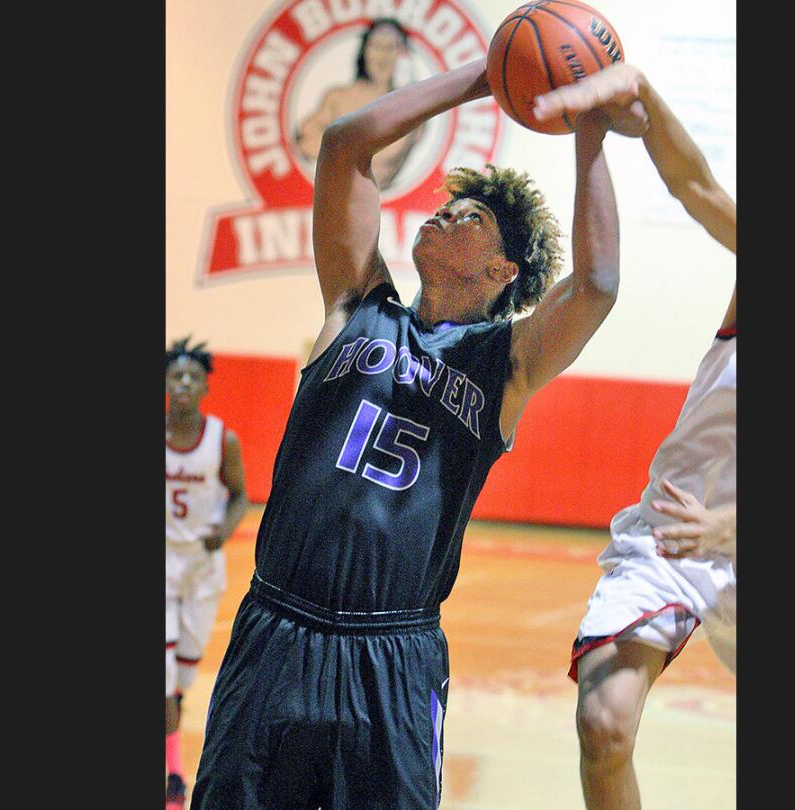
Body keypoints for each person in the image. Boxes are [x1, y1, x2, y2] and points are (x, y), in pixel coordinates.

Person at [191, 56, 645, 809]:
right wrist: (487, 77)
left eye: (472, 218)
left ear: (502, 269)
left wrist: (589, 126)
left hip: (390, 656)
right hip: (276, 628)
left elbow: (596, 285)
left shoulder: (506, 365)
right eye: (448, 205)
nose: (444, 213)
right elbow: (344, 144)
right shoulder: (355, 305)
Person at [533, 63, 738, 810]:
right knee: (604, 725)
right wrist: (640, 92)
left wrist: (729, 524)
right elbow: (698, 187)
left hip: (725, 531)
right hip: (675, 534)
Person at [164, 336, 249, 810]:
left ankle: (170, 728)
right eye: (175, 375)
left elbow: (240, 495)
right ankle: (173, 774)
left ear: (204, 389)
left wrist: (226, 531)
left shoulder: (222, 439)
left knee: (180, 680)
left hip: (200, 568)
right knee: (163, 679)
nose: (182, 382)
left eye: (192, 376)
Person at [296, 18, 422, 190]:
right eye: (376, 46)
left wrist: (341, 148)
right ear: (365, 51)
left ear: (402, 55)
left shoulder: (413, 108)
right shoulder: (338, 98)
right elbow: (306, 139)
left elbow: (384, 158)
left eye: (390, 48)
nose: (382, 56)